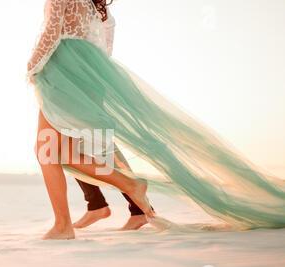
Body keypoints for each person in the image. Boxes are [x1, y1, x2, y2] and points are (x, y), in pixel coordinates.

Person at [27, 0, 285, 240]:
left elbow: (52, 32)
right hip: (87, 76)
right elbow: (104, 47)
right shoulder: (95, 7)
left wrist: (32, 66)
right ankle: (124, 190)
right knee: (63, 153)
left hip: (64, 75)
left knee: (47, 151)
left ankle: (66, 223)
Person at [72, 8, 149, 231]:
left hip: (81, 85)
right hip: (91, 85)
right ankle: (114, 206)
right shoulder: (103, 15)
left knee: (72, 148)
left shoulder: (86, 12)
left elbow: (81, 51)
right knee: (84, 148)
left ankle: (105, 205)